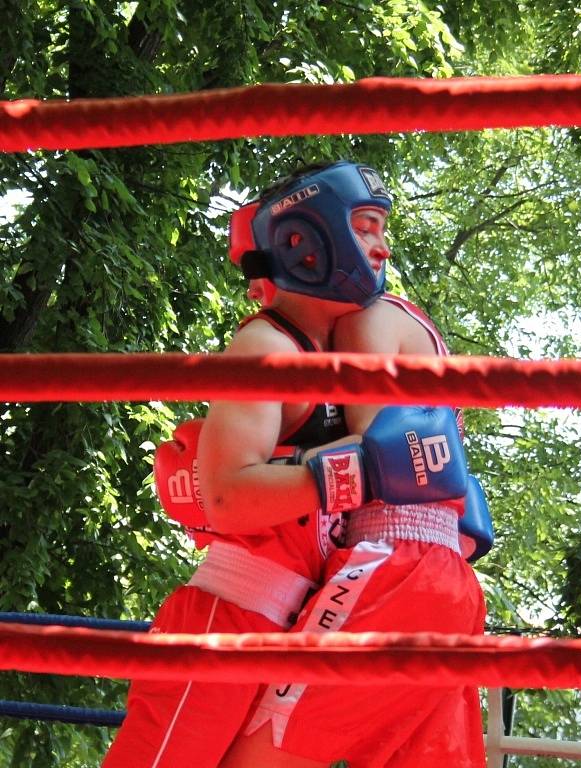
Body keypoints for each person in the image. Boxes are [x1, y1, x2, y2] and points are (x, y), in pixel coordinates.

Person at [102, 160, 463, 768]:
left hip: (285, 612)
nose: (383, 244)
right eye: (367, 225)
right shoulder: (265, 346)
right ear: (307, 238)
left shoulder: (336, 351)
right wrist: (360, 469)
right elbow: (222, 495)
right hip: (227, 610)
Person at [217, 220, 489, 766]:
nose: (382, 246)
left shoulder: (366, 319)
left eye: (377, 229)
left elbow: (375, 459)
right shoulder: (400, 322)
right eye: (366, 229)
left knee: (255, 757)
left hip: (392, 565)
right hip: (448, 582)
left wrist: (264, 464)